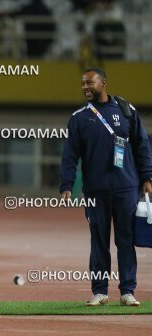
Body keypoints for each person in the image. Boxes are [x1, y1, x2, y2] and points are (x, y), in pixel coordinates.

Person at [60, 67, 152, 307]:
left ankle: (127, 292)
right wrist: (66, 184)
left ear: (103, 83)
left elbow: (142, 145)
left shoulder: (126, 110)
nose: (85, 87)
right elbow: (70, 155)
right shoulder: (79, 118)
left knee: (126, 240)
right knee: (98, 241)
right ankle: (100, 291)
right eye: (82, 84)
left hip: (126, 188)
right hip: (95, 192)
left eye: (89, 83)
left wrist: (147, 178)